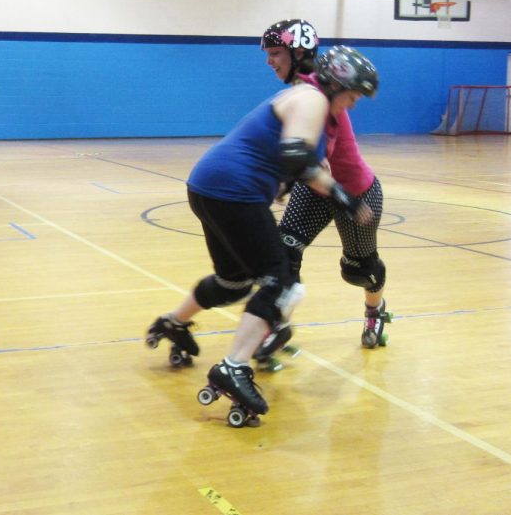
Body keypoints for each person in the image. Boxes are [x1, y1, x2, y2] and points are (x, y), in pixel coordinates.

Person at [146, 45, 379, 423]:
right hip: (235, 190)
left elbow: (306, 163)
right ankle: (233, 367)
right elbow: (296, 157)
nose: (352, 106)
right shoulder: (312, 99)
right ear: (337, 85)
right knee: (283, 284)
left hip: (210, 185)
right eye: (352, 97)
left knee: (233, 281)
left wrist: (322, 186)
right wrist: (346, 200)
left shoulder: (307, 102)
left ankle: (174, 322)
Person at [257, 20, 391, 363]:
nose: (269, 61)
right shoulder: (307, 86)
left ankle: (375, 311)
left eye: (275, 53)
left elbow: (320, 154)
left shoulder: (320, 90)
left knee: (360, 269)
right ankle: (277, 326)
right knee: (285, 252)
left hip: (355, 190)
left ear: (298, 53)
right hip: (316, 185)